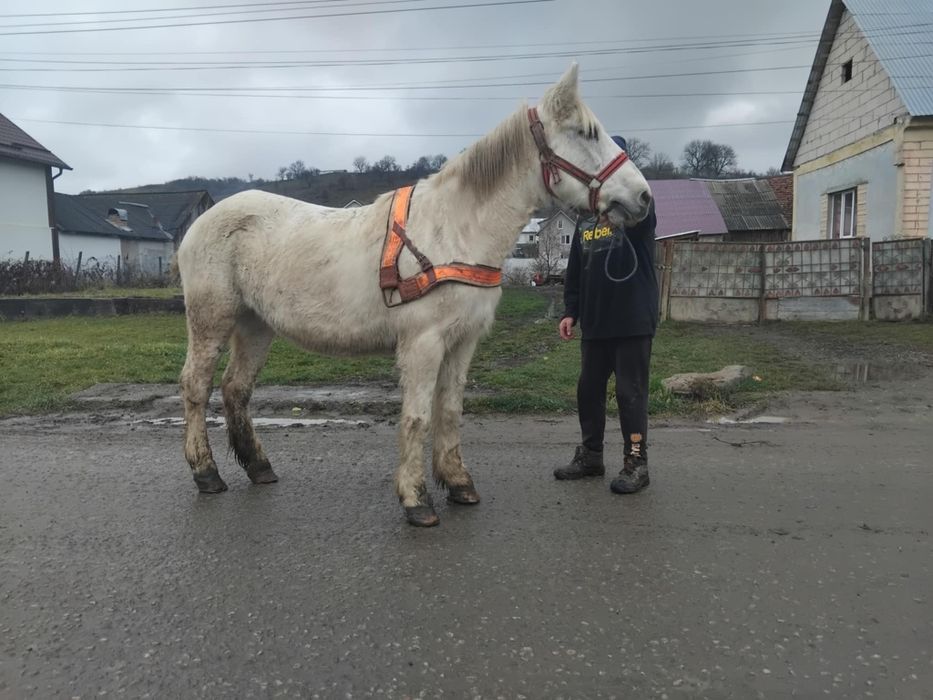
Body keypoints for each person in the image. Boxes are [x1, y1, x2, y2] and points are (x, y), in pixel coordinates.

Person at [554, 136, 658, 494]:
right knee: (588, 390)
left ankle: (636, 462)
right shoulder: (585, 221)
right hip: (596, 324)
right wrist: (571, 311)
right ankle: (592, 456)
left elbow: (640, 203)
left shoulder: (637, 212)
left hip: (632, 322)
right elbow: (575, 272)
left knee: (630, 394)